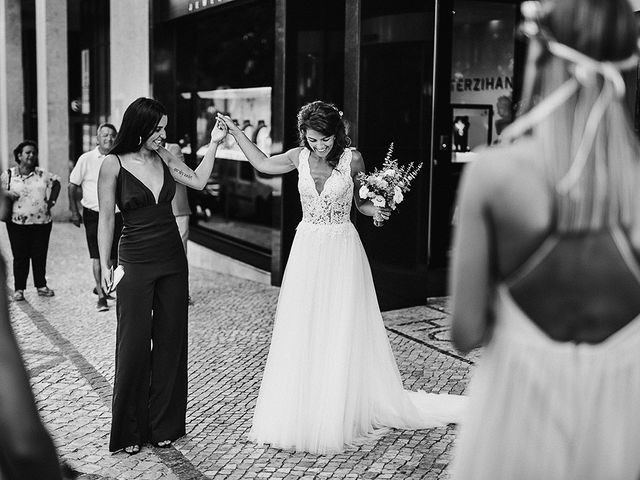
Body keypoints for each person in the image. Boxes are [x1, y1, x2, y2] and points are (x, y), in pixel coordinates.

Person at [449, 1, 640, 478]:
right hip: (622, 425)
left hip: (516, 415)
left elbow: (465, 332)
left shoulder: (493, 175)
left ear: (541, 57)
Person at [217, 101, 465, 455]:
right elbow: (261, 163)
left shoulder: (354, 159)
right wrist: (236, 132)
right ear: (304, 135)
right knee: (304, 324)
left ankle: (337, 407)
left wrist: (376, 210)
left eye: (327, 139)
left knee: (340, 325)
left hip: (341, 248)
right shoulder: (296, 157)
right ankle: (306, 402)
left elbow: (362, 203)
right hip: (307, 250)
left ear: (338, 133)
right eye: (314, 139)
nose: (320, 146)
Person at [97, 97, 227, 455]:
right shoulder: (113, 164)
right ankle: (129, 431)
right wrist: (106, 264)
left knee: (171, 341)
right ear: (140, 128)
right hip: (134, 259)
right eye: (157, 129)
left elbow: (199, 181)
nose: (163, 135)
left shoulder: (167, 157)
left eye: (165, 128)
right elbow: (107, 217)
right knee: (133, 343)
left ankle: (165, 425)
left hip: (172, 258)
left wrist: (214, 143)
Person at [69, 123, 123, 312]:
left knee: (116, 255)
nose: (109, 139)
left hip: (117, 214)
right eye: (105, 135)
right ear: (97, 138)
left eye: (112, 135)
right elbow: (72, 185)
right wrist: (74, 212)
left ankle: (108, 288)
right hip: (94, 214)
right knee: (98, 256)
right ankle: (100, 295)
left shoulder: (119, 158)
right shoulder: (87, 159)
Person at [1, 141, 60, 301]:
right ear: (19, 155)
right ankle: (19, 289)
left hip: (42, 222)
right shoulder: (9, 174)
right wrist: (7, 195)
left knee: (39, 255)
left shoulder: (43, 174)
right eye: (28, 152)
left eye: (34, 152)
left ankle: (41, 286)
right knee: (20, 256)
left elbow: (57, 183)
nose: (31, 155)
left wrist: (52, 202)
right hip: (16, 223)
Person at [164, 141, 194, 304]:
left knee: (180, 254)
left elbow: (179, 173)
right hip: (160, 211)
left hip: (178, 210)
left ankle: (183, 292)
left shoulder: (173, 149)